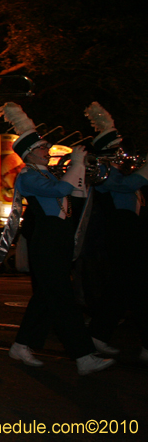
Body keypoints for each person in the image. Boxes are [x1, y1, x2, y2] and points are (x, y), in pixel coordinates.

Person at [0, 102, 114, 375]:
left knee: (47, 296)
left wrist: (81, 168)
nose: (47, 150)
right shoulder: (27, 175)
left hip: (58, 237)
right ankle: (83, 355)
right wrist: (75, 164)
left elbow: (77, 196)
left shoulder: (46, 173)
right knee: (62, 298)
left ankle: (22, 344)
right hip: (47, 240)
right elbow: (61, 189)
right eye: (41, 148)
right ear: (28, 153)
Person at [83, 103, 148, 360]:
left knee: (121, 288)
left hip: (129, 230)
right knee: (137, 287)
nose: (123, 153)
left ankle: (98, 335)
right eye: (118, 149)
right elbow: (123, 187)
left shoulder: (118, 170)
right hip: (118, 232)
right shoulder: (100, 169)